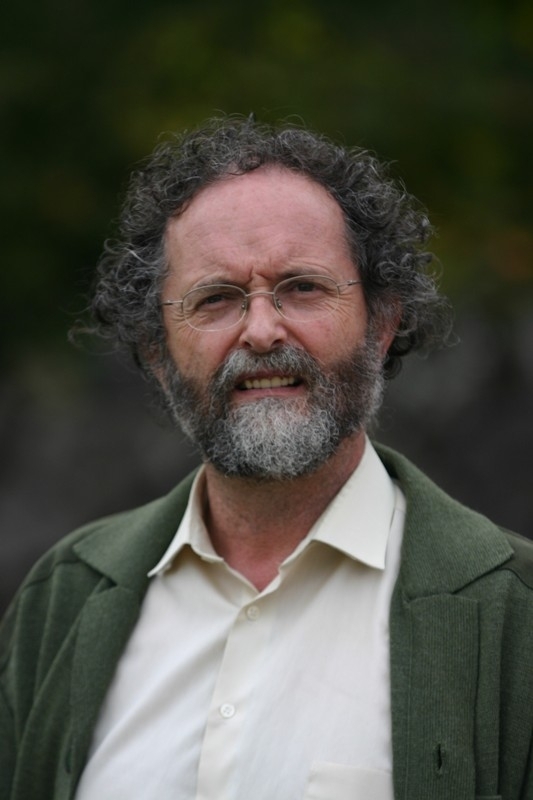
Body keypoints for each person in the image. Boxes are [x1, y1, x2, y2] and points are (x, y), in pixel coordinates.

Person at [1, 116, 532, 800]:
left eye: (302, 287)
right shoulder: (63, 600)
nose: (260, 330)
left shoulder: (513, 618)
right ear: (158, 352)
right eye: (216, 298)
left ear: (381, 323)